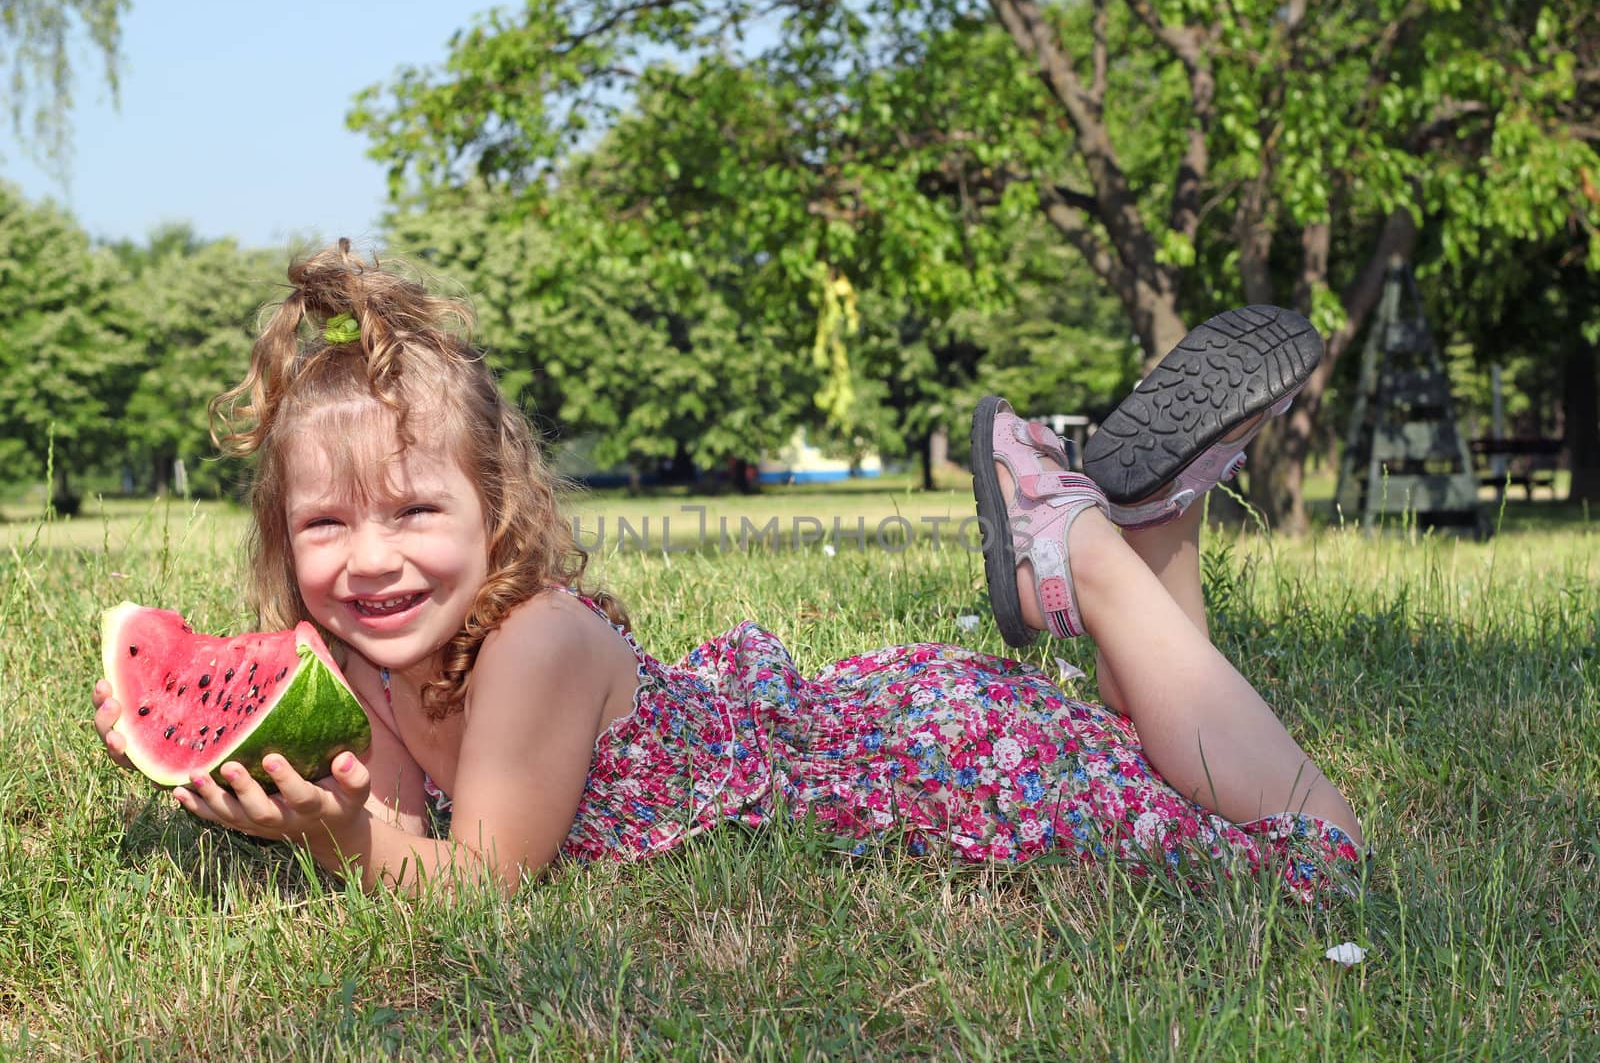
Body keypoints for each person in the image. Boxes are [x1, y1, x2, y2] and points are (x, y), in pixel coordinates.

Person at [93, 242, 1363, 900]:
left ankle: (1071, 540)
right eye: (326, 527)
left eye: (416, 509)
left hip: (930, 769)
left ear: (498, 507)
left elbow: (476, 888)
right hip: (880, 729)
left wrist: (343, 840)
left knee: (1316, 850)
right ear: (280, 538)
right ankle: (1152, 524)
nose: (370, 559)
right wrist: (233, 759)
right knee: (1158, 739)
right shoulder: (364, 658)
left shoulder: (532, 639)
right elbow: (405, 808)